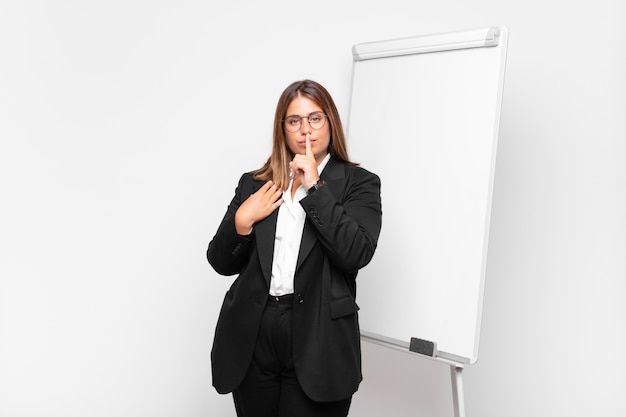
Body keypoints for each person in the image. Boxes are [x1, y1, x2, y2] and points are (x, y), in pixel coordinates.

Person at [207, 79, 382, 417]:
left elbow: (355, 253)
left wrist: (315, 187)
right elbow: (220, 261)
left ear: (330, 122)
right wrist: (241, 222)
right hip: (254, 332)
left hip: (319, 338)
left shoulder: (359, 184)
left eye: (315, 119)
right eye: (294, 120)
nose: (306, 130)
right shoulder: (255, 183)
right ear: (282, 128)